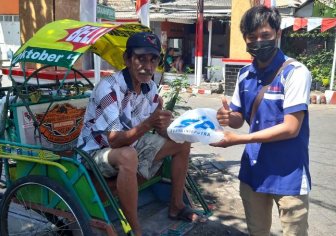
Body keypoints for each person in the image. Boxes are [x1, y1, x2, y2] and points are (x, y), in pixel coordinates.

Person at [77, 32, 203, 236]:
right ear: (127, 59)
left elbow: (157, 128)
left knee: (182, 143)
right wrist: (148, 124)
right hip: (94, 153)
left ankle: (176, 205)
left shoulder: (149, 87)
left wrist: (178, 129)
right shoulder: (109, 88)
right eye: (141, 59)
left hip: (132, 144)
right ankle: (136, 230)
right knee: (128, 155)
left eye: (153, 59)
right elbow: (115, 141)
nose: (148, 66)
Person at [211, 5, 311, 236]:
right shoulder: (245, 74)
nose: (259, 42)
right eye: (252, 37)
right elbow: (238, 118)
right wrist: (228, 117)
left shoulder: (295, 72)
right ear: (245, 40)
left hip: (289, 174)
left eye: (265, 35)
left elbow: (291, 128)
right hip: (254, 171)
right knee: (257, 231)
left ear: (278, 34)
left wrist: (238, 140)